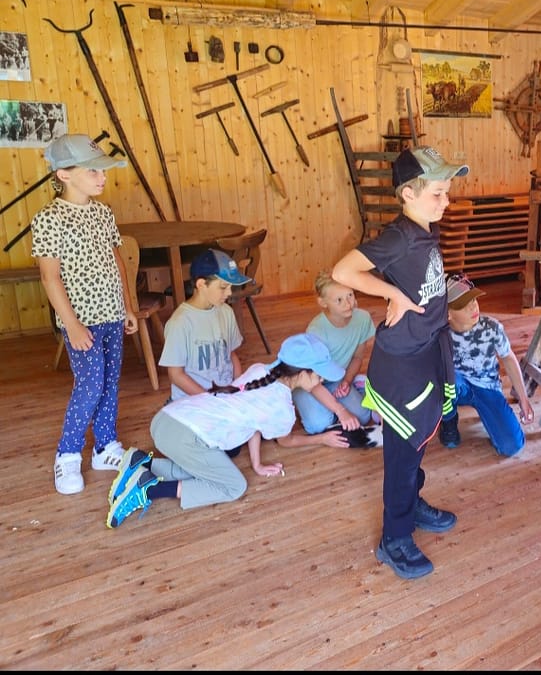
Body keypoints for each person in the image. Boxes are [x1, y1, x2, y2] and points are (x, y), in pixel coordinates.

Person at [331, 146, 468, 580]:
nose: (446, 201)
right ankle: (394, 538)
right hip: (401, 363)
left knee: (420, 439)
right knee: (403, 454)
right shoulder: (401, 236)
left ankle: (412, 504)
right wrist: (393, 295)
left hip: (425, 349)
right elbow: (343, 272)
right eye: (437, 194)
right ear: (408, 194)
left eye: (447, 192)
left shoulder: (425, 229)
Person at [105, 333, 343, 528]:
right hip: (184, 437)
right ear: (302, 373)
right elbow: (286, 441)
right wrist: (322, 439)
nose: (322, 381)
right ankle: (148, 489)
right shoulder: (282, 409)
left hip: (167, 419)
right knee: (233, 486)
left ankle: (142, 463)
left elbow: (254, 423)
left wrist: (257, 464)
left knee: (210, 469)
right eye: (319, 375)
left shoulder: (260, 370)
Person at [31, 133, 138, 495]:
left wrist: (127, 306)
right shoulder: (49, 219)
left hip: (112, 314)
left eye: (102, 170)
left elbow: (117, 262)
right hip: (81, 321)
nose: (102, 177)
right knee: (90, 385)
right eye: (93, 171)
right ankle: (67, 453)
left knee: (109, 382)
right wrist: (72, 325)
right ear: (64, 175)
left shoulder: (103, 213)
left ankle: (105, 446)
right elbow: (49, 276)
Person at [440, 272, 533, 456]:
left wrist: (523, 399)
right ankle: (448, 421)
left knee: (512, 446)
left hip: (487, 387)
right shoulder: (440, 334)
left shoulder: (492, 328)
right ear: (448, 314)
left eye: (473, 299)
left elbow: (509, 358)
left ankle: (489, 415)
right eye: (463, 305)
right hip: (456, 386)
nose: (473, 306)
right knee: (442, 379)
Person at [288, 271, 379, 448]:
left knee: (363, 417)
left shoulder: (363, 319)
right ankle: (311, 403)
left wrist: (347, 381)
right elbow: (311, 380)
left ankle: (354, 386)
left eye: (350, 295)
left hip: (337, 377)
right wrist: (341, 410)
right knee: (317, 426)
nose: (348, 303)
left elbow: (357, 357)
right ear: (323, 303)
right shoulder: (316, 331)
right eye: (339, 300)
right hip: (308, 382)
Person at [159, 248, 250, 402]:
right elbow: (176, 375)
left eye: (230, 287)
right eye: (223, 287)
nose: (229, 293)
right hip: (192, 401)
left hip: (224, 396)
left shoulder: (226, 312)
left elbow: (231, 354)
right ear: (201, 284)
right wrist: (209, 400)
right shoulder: (180, 323)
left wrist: (238, 388)